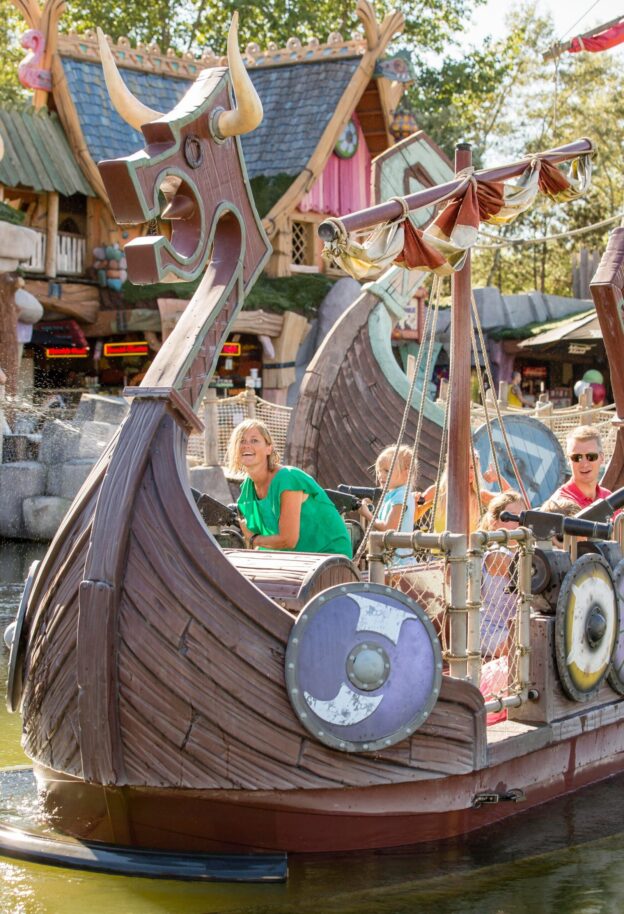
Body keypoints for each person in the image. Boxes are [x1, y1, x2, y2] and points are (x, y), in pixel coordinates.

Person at [226, 419, 352, 556]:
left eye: (254, 440)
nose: (246, 445)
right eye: (242, 441)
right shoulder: (247, 489)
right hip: (293, 556)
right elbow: (264, 538)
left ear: (269, 448)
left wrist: (253, 539)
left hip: (329, 556)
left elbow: (288, 540)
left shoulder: (287, 478)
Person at [359, 445, 416, 565]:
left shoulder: (401, 496)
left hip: (399, 563)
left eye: (387, 471)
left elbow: (389, 528)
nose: (381, 475)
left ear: (406, 473)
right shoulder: (392, 495)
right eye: (379, 471)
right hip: (390, 561)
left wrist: (367, 514)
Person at [549, 425, 611, 509]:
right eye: (577, 457)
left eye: (591, 456)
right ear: (569, 460)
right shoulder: (560, 505)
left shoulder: (609, 497)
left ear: (602, 458)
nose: (584, 463)